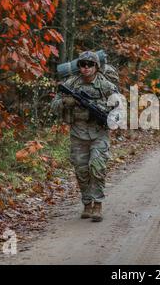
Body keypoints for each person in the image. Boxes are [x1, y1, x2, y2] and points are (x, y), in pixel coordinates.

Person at [51, 51, 119, 221]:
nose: (86, 68)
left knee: (97, 167)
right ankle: (87, 204)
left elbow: (118, 107)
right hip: (78, 133)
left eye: (90, 64)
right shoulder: (71, 84)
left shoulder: (105, 85)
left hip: (99, 133)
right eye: (82, 64)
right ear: (79, 66)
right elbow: (54, 106)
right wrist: (65, 103)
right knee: (81, 171)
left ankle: (97, 205)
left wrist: (103, 112)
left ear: (96, 66)